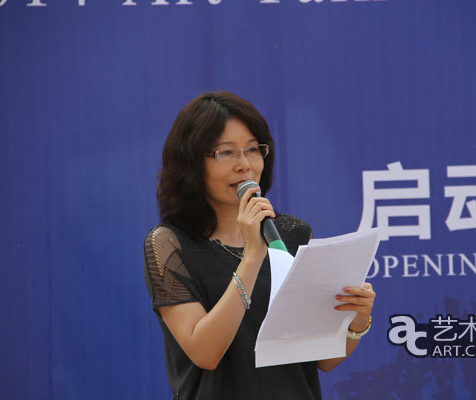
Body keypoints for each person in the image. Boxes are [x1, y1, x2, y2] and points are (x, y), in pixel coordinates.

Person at [143, 91, 375, 400]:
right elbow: (205, 353)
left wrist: (358, 320)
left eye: (253, 150)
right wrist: (252, 256)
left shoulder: (292, 234)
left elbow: (323, 359)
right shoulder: (170, 245)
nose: (244, 165)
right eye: (226, 152)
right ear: (191, 163)